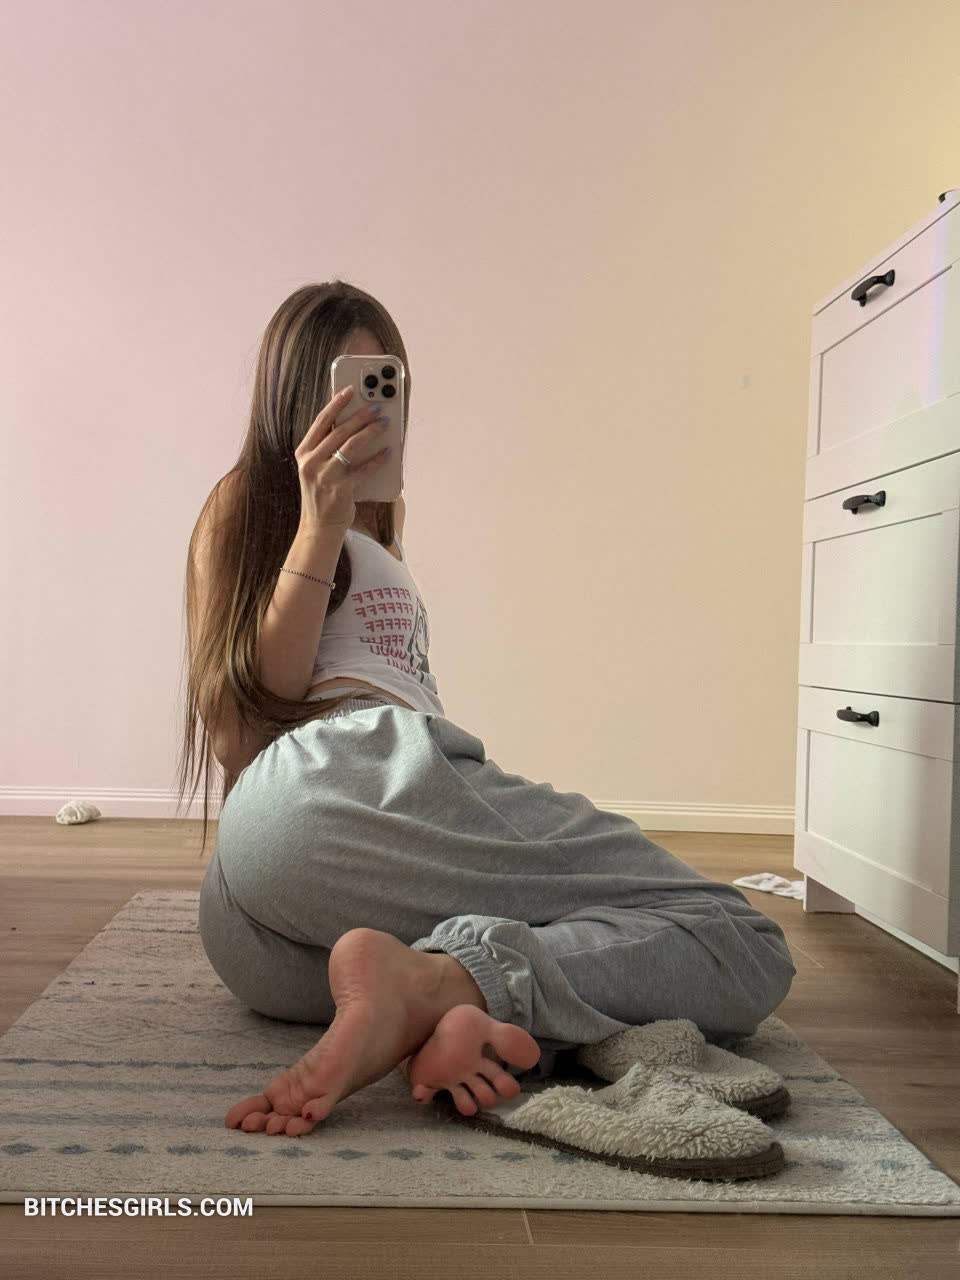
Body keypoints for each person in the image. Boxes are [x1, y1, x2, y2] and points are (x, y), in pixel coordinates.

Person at [178, 280, 796, 1139]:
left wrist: (349, 522)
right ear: (290, 396)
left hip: (269, 941)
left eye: (382, 384)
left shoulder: (380, 520)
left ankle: (426, 990)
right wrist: (317, 526)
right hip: (330, 785)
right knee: (738, 938)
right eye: (339, 387)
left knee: (539, 927)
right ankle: (447, 983)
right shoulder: (252, 501)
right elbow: (238, 734)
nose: (363, 410)